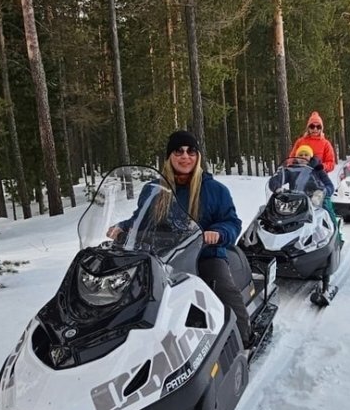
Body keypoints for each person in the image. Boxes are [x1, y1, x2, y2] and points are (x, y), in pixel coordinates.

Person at [107, 130, 252, 347]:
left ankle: (245, 337)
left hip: (204, 255)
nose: (185, 156)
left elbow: (232, 222)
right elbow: (140, 219)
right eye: (179, 151)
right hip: (160, 257)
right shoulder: (153, 190)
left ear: (198, 156)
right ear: (169, 157)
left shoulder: (214, 190)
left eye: (191, 151)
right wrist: (122, 228)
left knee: (224, 289)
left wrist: (218, 233)